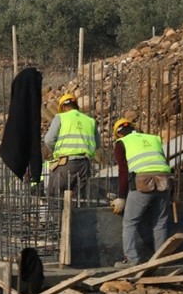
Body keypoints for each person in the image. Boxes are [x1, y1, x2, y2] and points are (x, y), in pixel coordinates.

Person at [111, 118, 173, 267]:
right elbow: (163, 163)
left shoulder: (122, 143)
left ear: (118, 134)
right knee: (160, 223)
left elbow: (123, 171)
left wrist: (121, 197)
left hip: (143, 183)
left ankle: (131, 259)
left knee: (130, 223)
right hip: (164, 182)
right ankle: (160, 259)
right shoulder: (153, 139)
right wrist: (173, 194)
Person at [43, 93, 99, 199]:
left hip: (66, 164)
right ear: (76, 105)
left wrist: (58, 150)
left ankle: (58, 216)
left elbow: (49, 140)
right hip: (84, 165)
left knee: (56, 198)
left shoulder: (61, 117)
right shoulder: (90, 121)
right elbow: (97, 144)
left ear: (63, 107)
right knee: (79, 201)